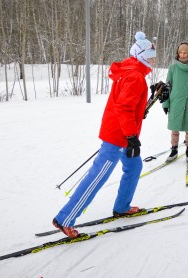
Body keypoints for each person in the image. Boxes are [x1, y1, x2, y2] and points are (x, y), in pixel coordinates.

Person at [53, 31, 156, 238]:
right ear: (141, 55)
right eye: (151, 55)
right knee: (98, 176)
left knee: (134, 166)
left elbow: (131, 107)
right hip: (118, 136)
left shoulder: (130, 71)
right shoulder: (135, 76)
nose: (154, 59)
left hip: (124, 134)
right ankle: (65, 218)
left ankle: (122, 206)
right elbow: (124, 109)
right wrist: (131, 136)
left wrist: (152, 98)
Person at [162, 42, 188, 163]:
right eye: (180, 52)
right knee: (175, 129)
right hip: (175, 103)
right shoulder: (172, 68)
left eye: (185, 53)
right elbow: (167, 87)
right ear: (177, 53)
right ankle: (174, 150)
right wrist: (165, 104)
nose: (183, 55)